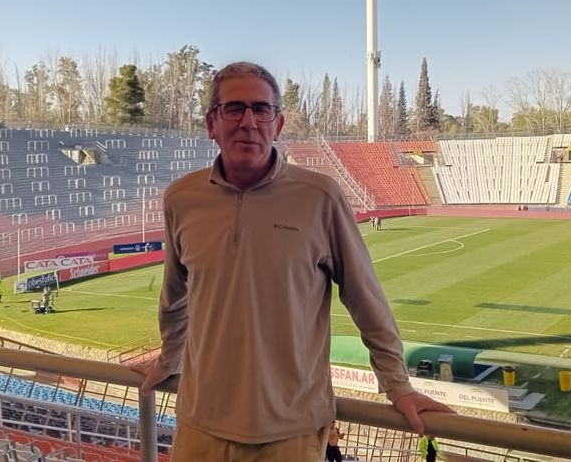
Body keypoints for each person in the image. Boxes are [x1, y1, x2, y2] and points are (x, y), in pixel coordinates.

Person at [135, 62, 452, 461]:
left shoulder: (319, 197)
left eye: (261, 109)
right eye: (234, 108)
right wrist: (168, 359)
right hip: (200, 424)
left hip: (291, 432)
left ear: (278, 124)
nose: (249, 121)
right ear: (211, 123)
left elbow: (366, 300)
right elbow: (174, 297)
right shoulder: (181, 199)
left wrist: (398, 386)